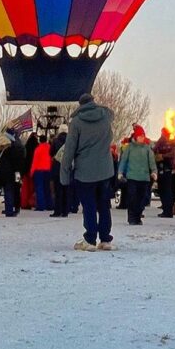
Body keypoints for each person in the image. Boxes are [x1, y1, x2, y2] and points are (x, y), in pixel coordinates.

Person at [60, 93, 115, 252]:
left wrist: (64, 174)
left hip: (84, 172)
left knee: (89, 205)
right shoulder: (105, 119)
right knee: (104, 205)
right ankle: (105, 239)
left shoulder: (76, 123)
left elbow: (69, 149)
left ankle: (90, 239)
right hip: (105, 170)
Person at [118, 125, 158, 225]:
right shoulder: (129, 148)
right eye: (140, 136)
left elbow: (152, 161)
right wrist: (120, 172)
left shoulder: (147, 149)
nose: (142, 138)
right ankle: (132, 217)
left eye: (143, 136)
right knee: (132, 198)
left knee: (142, 198)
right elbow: (123, 161)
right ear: (136, 137)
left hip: (144, 178)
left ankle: (138, 215)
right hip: (132, 177)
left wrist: (154, 171)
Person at [0, 130, 26, 217]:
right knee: (16, 188)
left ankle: (10, 209)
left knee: (8, 190)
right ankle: (15, 207)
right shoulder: (17, 145)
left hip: (5, 172)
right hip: (16, 172)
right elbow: (20, 161)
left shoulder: (1, 146)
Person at [153, 127, 175, 218]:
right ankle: (166, 209)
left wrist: (162, 156)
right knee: (165, 190)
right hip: (165, 169)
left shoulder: (168, 143)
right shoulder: (167, 143)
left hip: (165, 168)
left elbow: (172, 154)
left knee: (165, 190)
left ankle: (167, 211)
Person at [50, 128, 70, 217]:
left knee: (58, 190)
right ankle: (65, 211)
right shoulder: (70, 140)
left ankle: (57, 210)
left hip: (57, 166)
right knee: (66, 189)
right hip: (67, 167)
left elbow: (51, 152)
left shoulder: (55, 141)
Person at [31, 135, 52, 212]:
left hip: (39, 170)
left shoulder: (38, 149)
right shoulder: (49, 147)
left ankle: (41, 205)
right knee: (47, 188)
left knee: (39, 188)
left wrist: (32, 172)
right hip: (48, 170)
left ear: (40, 140)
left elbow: (35, 162)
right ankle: (49, 204)